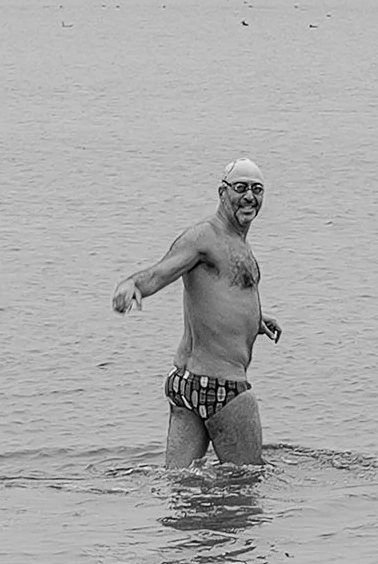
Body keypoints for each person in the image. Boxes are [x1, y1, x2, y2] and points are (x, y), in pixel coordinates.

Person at [111, 157, 282, 467]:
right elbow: (161, 272)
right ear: (222, 192)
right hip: (224, 387)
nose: (249, 197)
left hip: (186, 385)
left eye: (257, 189)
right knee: (246, 487)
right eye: (240, 188)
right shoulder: (204, 237)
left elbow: (223, 296)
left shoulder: (236, 242)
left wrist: (256, 321)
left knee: (179, 488)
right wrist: (131, 284)